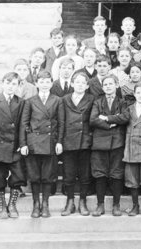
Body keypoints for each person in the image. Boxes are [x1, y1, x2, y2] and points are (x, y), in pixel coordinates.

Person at [100, 82, 141, 217]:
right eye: (138, 92)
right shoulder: (129, 108)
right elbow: (121, 118)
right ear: (134, 94)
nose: (140, 95)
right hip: (131, 147)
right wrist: (108, 118)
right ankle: (135, 206)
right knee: (132, 180)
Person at [20, 70, 65, 218]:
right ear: (37, 83)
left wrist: (59, 142)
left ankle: (45, 204)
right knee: (34, 176)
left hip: (50, 143)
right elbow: (24, 124)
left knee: (47, 176)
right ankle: (35, 204)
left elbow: (61, 123)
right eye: (42, 81)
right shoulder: (30, 101)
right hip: (33, 143)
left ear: (51, 83)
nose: (45, 84)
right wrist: (24, 143)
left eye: (47, 82)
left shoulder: (57, 100)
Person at [0, 72, 26, 219]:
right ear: (3, 84)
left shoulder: (21, 102)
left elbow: (23, 125)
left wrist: (22, 144)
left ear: (18, 86)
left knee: (17, 175)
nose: (10, 87)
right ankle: (2, 204)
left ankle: (12, 204)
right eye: (8, 83)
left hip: (14, 145)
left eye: (14, 84)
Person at [89, 74, 128, 217]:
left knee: (116, 174)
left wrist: (106, 118)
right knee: (100, 173)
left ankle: (116, 205)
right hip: (99, 143)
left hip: (117, 143)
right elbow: (92, 120)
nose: (108, 87)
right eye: (105, 85)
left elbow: (124, 117)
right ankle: (100, 205)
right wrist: (112, 124)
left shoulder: (122, 102)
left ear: (117, 85)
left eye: (111, 84)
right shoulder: (98, 102)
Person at [60, 72, 94, 216]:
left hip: (85, 141)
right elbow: (61, 121)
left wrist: (90, 137)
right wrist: (60, 141)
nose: (80, 85)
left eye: (83, 83)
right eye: (77, 82)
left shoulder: (92, 99)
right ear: (72, 84)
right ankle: (70, 202)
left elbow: (93, 120)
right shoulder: (64, 99)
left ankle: (83, 201)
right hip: (68, 141)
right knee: (69, 174)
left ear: (87, 86)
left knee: (85, 174)